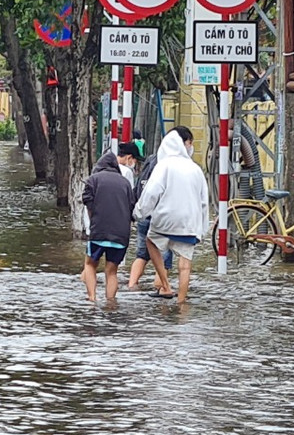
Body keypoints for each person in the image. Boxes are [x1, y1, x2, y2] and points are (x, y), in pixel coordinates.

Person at [133, 128, 209, 303]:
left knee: (151, 242)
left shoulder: (163, 165)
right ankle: (182, 303)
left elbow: (151, 193)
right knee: (185, 264)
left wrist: (139, 212)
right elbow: (204, 200)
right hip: (189, 223)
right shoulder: (195, 168)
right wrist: (202, 228)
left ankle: (165, 285)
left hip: (164, 220)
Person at [127, 127, 193, 294]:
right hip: (162, 217)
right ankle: (162, 288)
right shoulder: (175, 165)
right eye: (189, 143)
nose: (191, 147)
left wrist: (137, 211)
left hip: (144, 214)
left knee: (142, 254)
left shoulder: (151, 159)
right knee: (163, 259)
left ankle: (132, 285)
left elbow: (141, 186)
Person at [81, 152, 135, 302]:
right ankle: (110, 303)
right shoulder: (125, 183)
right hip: (121, 235)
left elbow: (87, 201)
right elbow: (132, 207)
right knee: (112, 272)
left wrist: (94, 221)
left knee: (90, 265)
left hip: (99, 231)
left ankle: (92, 299)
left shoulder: (93, 180)